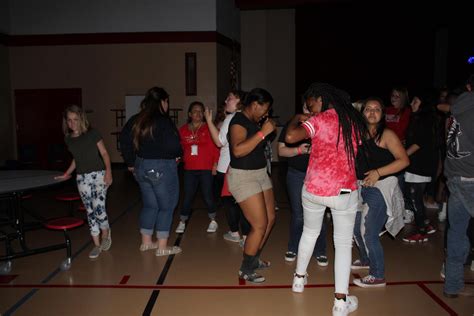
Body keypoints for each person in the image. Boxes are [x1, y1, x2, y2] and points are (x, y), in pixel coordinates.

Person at [285, 82, 366, 316]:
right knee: (342, 245)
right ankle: (340, 302)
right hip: (343, 192)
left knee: (309, 233)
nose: (310, 108)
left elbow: (290, 136)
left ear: (321, 99)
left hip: (313, 189)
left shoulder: (318, 120)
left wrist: (298, 117)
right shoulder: (353, 122)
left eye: (312, 102)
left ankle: (298, 280)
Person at [351, 97, 409, 288]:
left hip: (382, 186)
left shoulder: (387, 135)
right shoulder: (358, 133)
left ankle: (377, 274)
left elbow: (404, 160)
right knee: (355, 227)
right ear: (362, 112)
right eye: (368, 109)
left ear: (382, 114)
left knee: (369, 231)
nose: (372, 112)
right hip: (360, 186)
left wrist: (378, 172)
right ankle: (366, 260)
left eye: (377, 109)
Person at [119, 87, 182, 256]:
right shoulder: (163, 121)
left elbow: (124, 140)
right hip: (161, 167)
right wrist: (177, 155)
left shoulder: (136, 119)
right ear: (162, 101)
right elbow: (174, 145)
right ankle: (162, 247)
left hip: (141, 166)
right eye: (167, 101)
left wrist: (131, 163)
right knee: (166, 206)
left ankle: (146, 242)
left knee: (150, 204)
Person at [227, 88, 276, 283]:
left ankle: (253, 259)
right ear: (255, 105)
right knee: (259, 225)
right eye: (265, 109)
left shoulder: (254, 121)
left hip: (260, 174)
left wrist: (263, 129)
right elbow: (238, 151)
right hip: (244, 177)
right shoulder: (238, 121)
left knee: (270, 218)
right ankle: (246, 269)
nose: (267, 113)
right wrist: (263, 133)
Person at [55, 105, 112, 259]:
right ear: (66, 122)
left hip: (99, 175)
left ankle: (106, 233)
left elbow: (105, 153)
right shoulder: (68, 139)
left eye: (75, 119)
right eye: (69, 120)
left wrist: (109, 172)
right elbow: (77, 158)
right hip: (82, 178)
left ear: (81, 119)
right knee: (89, 211)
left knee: (98, 208)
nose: (72, 123)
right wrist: (67, 173)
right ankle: (96, 244)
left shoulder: (93, 133)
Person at [278, 88, 328, 265]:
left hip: (319, 176)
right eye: (306, 106)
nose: (309, 110)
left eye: (312, 106)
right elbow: (281, 151)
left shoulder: (324, 124)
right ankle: (293, 247)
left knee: (318, 215)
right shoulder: (292, 125)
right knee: (298, 215)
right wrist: (299, 150)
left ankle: (320, 250)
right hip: (296, 175)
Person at [204, 91, 251, 243]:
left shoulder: (231, 118)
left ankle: (235, 233)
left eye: (229, 98)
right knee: (244, 203)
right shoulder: (248, 117)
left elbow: (219, 142)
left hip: (227, 169)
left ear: (239, 101)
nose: (226, 100)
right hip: (244, 168)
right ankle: (246, 236)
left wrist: (209, 121)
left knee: (229, 203)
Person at [443, 74, 474, 298]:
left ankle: (453, 285)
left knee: (457, 234)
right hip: (471, 180)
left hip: (455, 178)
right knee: (457, 234)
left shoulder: (456, 110)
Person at [175, 101, 220, 234]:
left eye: (201, 111)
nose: (198, 114)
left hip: (206, 168)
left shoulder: (209, 127)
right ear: (189, 114)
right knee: (188, 195)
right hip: (189, 168)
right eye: (195, 111)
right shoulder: (182, 130)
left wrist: (215, 163)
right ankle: (182, 220)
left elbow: (217, 147)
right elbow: (179, 148)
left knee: (207, 195)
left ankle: (213, 220)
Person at [402, 92, 437, 242]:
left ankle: (421, 231)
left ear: (423, 104)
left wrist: (402, 156)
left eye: (415, 101)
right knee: (414, 196)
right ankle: (425, 225)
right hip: (417, 165)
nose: (412, 104)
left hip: (419, 165)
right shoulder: (419, 119)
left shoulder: (423, 120)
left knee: (415, 197)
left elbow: (418, 143)